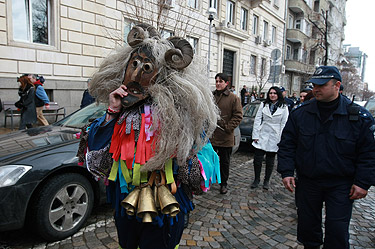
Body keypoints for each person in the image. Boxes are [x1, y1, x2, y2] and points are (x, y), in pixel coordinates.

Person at [76, 24, 220, 249]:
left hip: (166, 205)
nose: (134, 76)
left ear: (164, 77)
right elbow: (95, 148)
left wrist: (185, 161)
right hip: (126, 202)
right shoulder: (119, 110)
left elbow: (202, 159)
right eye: (133, 65)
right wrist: (112, 111)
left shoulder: (184, 117)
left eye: (146, 67)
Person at [277, 66, 375, 249]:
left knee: (337, 231)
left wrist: (363, 182)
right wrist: (286, 171)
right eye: (314, 85)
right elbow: (287, 144)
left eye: (322, 85)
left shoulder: (358, 117)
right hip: (308, 182)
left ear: (337, 85)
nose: (316, 89)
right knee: (308, 229)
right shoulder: (301, 113)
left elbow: (368, 153)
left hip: (341, 185)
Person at [250, 86, 289, 190]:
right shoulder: (263, 104)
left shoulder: (284, 107)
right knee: (257, 159)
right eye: (271, 93)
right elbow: (258, 120)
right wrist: (256, 135)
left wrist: (281, 139)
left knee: (270, 160)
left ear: (278, 95)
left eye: (275, 93)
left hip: (275, 135)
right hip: (263, 132)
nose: (272, 95)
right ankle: (256, 179)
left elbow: (284, 123)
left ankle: (266, 180)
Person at [211, 73, 243, 194]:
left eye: (220, 81)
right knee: (210, 159)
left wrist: (228, 128)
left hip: (225, 136)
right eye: (216, 81)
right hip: (212, 135)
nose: (218, 84)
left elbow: (238, 115)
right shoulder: (211, 96)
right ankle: (209, 181)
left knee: (224, 162)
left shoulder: (233, 98)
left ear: (226, 83)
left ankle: (223, 183)